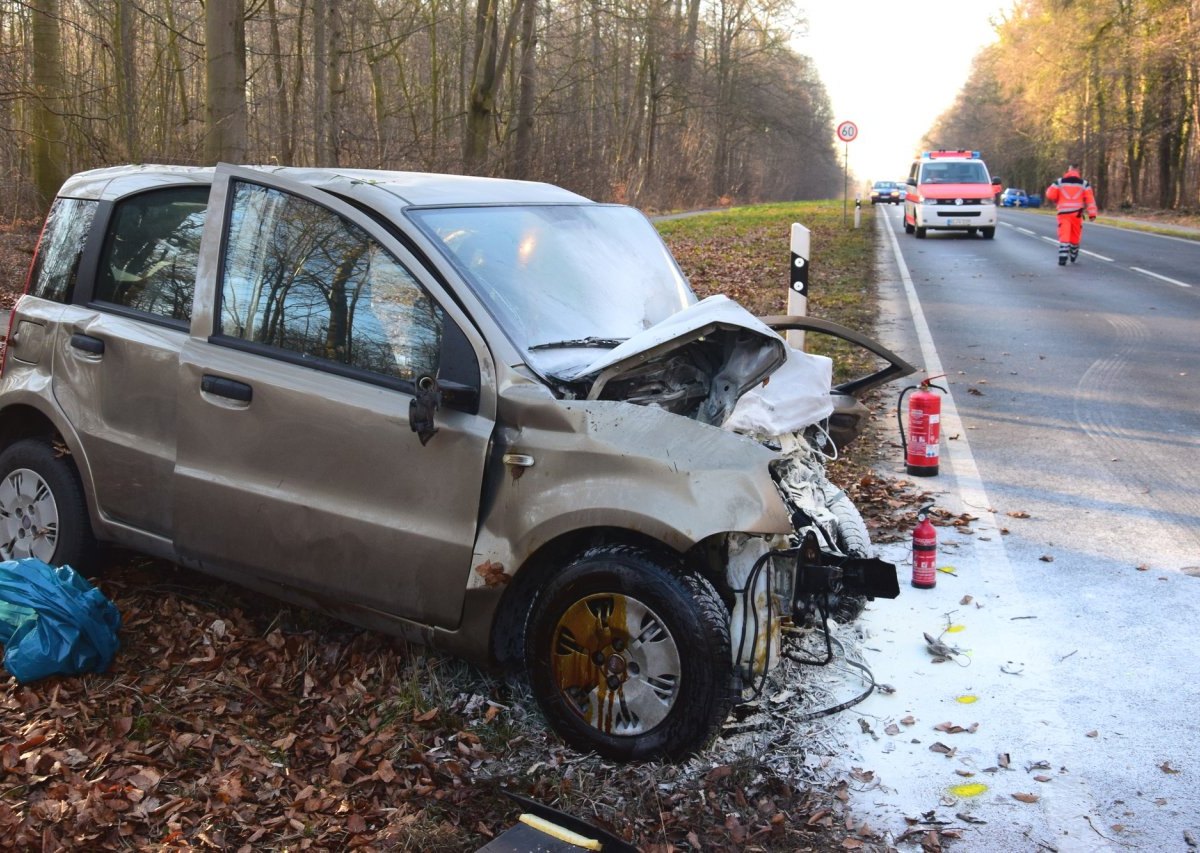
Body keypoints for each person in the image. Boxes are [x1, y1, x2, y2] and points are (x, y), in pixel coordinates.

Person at [1044, 165, 1098, 265]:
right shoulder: (1084, 184)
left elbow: (1050, 194)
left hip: (1063, 213)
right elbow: (1090, 200)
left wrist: (1057, 198)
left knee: (1064, 233)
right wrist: (1092, 214)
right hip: (1077, 214)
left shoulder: (1059, 182)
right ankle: (1073, 254)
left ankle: (1062, 257)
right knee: (1075, 234)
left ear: (1068, 170)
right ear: (1078, 171)